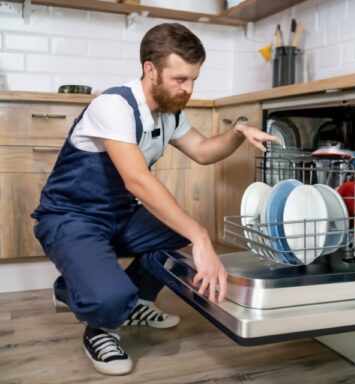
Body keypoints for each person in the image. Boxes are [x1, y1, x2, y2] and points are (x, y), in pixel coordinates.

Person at [32, 22, 278, 376]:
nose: (189, 88)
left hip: (120, 215)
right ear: (150, 69)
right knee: (112, 294)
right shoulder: (114, 105)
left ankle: (136, 303)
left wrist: (237, 131)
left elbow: (205, 151)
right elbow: (137, 180)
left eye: (193, 79)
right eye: (180, 79)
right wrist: (202, 238)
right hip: (72, 217)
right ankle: (95, 317)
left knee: (175, 234)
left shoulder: (168, 112)